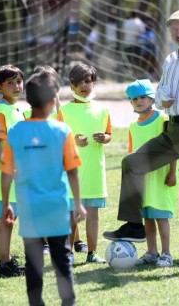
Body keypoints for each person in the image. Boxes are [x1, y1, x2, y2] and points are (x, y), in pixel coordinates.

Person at [104, 10, 179, 274]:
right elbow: (159, 95)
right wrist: (162, 100)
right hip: (173, 130)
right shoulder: (171, 59)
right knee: (132, 163)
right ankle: (135, 226)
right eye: (174, 29)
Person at [0, 70, 87, 306]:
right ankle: (68, 302)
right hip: (57, 206)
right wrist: (77, 202)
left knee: (34, 260)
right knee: (62, 258)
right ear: (52, 102)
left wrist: (7, 203)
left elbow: (6, 172)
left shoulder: (17, 131)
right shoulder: (62, 131)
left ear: (28, 100)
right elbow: (72, 170)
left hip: (29, 207)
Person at [57, 62, 112, 264]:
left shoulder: (103, 109)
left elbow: (109, 134)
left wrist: (104, 138)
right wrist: (74, 141)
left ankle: (92, 253)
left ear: (94, 83)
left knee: (93, 215)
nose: (84, 86)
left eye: (88, 81)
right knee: (73, 215)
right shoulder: (64, 111)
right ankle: (69, 253)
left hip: (95, 172)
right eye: (79, 82)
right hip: (73, 173)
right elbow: (57, 139)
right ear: (71, 86)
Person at [124, 79, 177, 268]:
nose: (139, 101)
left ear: (152, 99)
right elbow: (131, 156)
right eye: (135, 99)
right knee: (147, 217)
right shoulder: (133, 127)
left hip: (161, 177)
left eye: (143, 97)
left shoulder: (163, 119)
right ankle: (152, 252)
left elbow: (172, 148)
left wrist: (172, 173)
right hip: (141, 180)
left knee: (161, 216)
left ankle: (166, 253)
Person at [0, 65, 28, 277]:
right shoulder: (1, 110)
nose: (16, 86)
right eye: (10, 82)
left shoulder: (17, 108)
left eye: (18, 81)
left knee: (12, 217)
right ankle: (3, 263)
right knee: (5, 217)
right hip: (5, 176)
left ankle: (7, 258)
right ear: (0, 87)